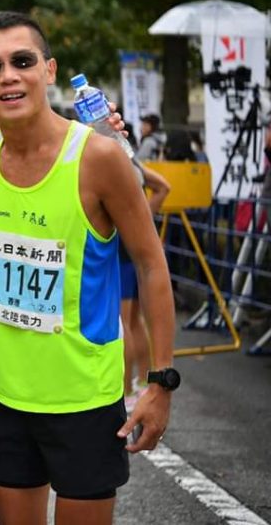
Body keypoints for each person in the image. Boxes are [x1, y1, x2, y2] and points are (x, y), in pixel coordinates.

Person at [0, 11, 177, 524]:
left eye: (22, 61)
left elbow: (151, 264)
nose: (8, 76)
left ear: (50, 70)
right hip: (6, 398)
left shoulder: (98, 158)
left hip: (85, 401)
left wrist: (160, 383)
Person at [121, 163, 171, 410]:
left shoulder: (111, 159)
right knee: (133, 321)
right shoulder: (131, 162)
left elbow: (164, 187)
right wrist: (144, 218)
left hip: (119, 249)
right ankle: (141, 381)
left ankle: (126, 391)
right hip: (135, 249)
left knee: (123, 323)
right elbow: (163, 187)